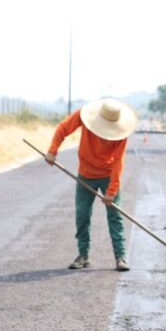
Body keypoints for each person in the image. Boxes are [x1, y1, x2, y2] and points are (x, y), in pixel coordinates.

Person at [45, 99, 137, 271]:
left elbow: (118, 162)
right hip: (86, 174)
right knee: (82, 215)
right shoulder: (85, 116)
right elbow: (63, 129)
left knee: (115, 216)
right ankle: (83, 255)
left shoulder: (121, 134)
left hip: (108, 175)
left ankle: (120, 257)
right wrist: (52, 151)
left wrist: (111, 191)